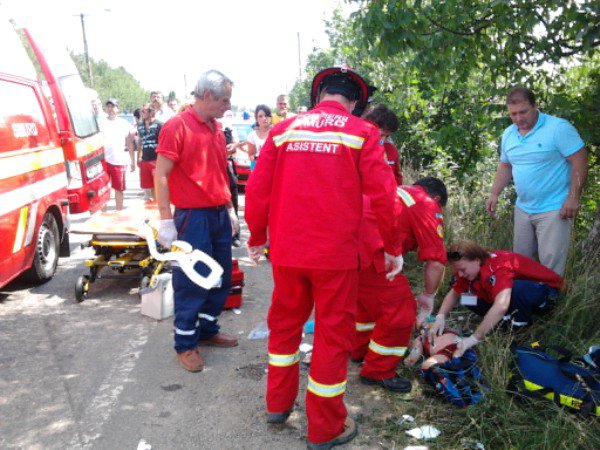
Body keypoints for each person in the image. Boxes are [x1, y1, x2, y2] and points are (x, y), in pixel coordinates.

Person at [245, 66, 404, 449]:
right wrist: (393, 247)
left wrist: (256, 235)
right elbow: (385, 197)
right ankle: (325, 427)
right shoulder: (362, 132)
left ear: (320, 96)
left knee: (284, 326)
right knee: (332, 337)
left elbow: (257, 186)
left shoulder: (284, 131)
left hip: (286, 251)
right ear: (354, 103)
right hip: (335, 257)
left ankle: (277, 404)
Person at [154, 70, 240, 373]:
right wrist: (166, 221)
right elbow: (160, 174)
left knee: (221, 278)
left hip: (217, 213)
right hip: (192, 218)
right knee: (192, 281)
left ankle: (206, 330)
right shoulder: (176, 127)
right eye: (224, 100)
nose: (228, 106)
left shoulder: (215, 128)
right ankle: (186, 343)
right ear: (206, 97)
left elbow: (218, 173)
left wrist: (229, 209)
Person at [352, 177, 448, 392]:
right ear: (437, 198)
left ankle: (360, 351)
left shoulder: (398, 191)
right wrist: (428, 295)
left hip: (346, 248)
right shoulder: (427, 203)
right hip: (372, 254)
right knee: (401, 314)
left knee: (365, 305)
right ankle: (378, 371)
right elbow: (436, 261)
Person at [485, 87, 587, 276]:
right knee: (521, 265)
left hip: (554, 208)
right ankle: (526, 304)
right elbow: (505, 165)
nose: (518, 118)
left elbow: (580, 160)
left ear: (535, 106)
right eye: (513, 114)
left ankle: (552, 304)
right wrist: (494, 193)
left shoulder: (558, 128)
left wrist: (573, 197)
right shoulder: (509, 134)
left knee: (551, 269)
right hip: (523, 208)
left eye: (523, 112)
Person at [429, 240, 564, 357]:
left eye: (463, 269)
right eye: (457, 270)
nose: (460, 274)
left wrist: (474, 338)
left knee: (517, 289)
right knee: (465, 294)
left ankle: (518, 330)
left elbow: (501, 305)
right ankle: (500, 321)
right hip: (505, 296)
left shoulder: (497, 268)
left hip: (546, 295)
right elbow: (454, 293)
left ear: (476, 260)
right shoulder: (469, 268)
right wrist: (440, 316)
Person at [99, 98, 135, 210]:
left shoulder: (124, 124)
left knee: (119, 189)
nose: (110, 109)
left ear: (118, 109)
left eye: (113, 107)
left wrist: (132, 161)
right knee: (102, 189)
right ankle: (103, 213)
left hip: (119, 160)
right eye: (108, 106)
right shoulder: (100, 123)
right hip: (103, 161)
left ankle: (119, 212)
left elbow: (130, 143)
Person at [364, 104, 403, 185]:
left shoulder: (391, 150)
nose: (383, 140)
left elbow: (397, 179)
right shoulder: (357, 147)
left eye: (387, 136)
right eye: (381, 135)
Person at [136, 103, 162, 201]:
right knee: (147, 190)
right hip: (145, 160)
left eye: (144, 111)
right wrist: (138, 157)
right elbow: (140, 141)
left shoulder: (159, 125)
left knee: (158, 188)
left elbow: (163, 143)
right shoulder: (140, 126)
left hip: (156, 160)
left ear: (151, 113)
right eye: (140, 111)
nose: (141, 113)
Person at [245, 104, 272, 170]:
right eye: (260, 116)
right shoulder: (252, 135)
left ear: (270, 117)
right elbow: (251, 156)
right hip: (258, 171)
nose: (264, 118)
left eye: (266, 115)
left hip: (274, 171)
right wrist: (259, 156)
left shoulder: (276, 133)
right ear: (256, 119)